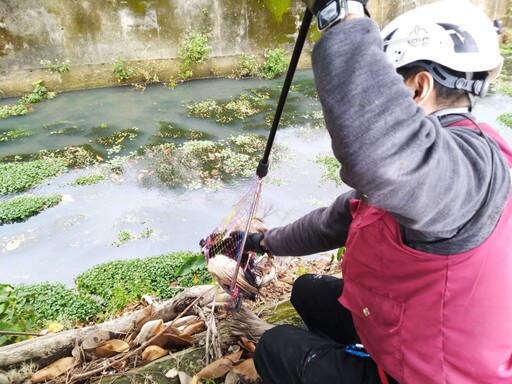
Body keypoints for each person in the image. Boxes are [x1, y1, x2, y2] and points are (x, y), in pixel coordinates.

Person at [237, 0, 512, 383]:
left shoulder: (470, 173)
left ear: (419, 87)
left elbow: (377, 152)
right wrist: (262, 243)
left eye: (389, 82)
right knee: (306, 290)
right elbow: (335, 221)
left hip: (435, 373)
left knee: (275, 346)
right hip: (412, 326)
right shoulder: (429, 171)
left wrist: (342, 13)